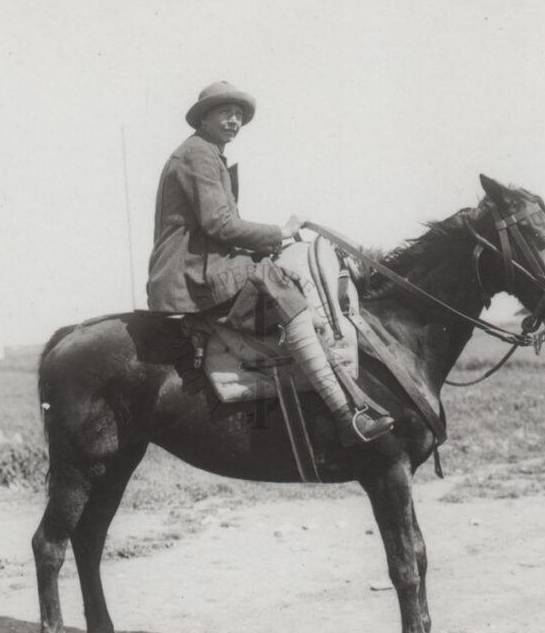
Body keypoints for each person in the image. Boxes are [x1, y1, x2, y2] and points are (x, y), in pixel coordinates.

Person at [146, 81, 393, 445]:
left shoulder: (208, 153)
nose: (234, 121)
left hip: (204, 261)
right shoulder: (198, 155)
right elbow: (219, 224)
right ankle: (346, 416)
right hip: (194, 271)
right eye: (225, 113)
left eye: (239, 115)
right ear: (204, 118)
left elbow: (217, 228)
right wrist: (280, 232)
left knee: (280, 271)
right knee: (284, 292)